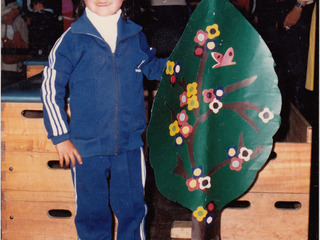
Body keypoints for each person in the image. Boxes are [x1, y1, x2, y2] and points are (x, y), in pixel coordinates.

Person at [41, 0, 167, 239]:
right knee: (92, 215)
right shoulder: (71, 39)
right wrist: (60, 137)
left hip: (129, 146)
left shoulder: (135, 35)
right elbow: (50, 89)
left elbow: (153, 67)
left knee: (133, 212)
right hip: (85, 149)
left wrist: (189, 64)